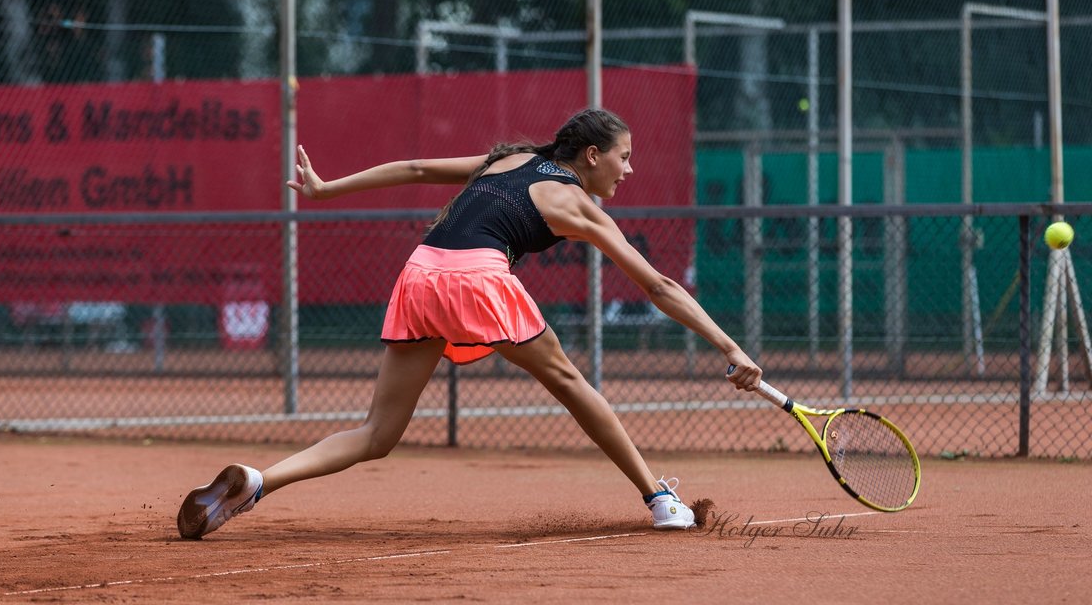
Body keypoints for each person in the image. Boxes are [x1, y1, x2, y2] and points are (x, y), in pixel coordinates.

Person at [176, 108, 762, 539]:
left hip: (419, 272)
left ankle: (258, 481)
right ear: (591, 156)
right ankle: (659, 497)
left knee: (376, 435)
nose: (628, 169)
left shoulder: (507, 160)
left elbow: (414, 166)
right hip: (477, 278)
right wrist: (729, 346)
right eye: (624, 156)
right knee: (570, 383)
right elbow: (657, 286)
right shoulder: (579, 205)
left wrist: (327, 190)